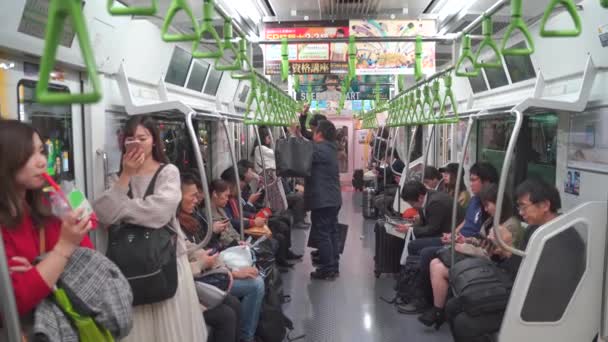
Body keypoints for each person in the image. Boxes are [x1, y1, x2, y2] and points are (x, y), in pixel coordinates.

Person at [94, 115, 207, 341]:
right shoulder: (116, 178)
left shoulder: (168, 172)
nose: (136, 143)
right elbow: (103, 213)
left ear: (154, 141)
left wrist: (122, 210)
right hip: (129, 266)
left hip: (165, 260)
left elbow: (160, 213)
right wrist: (126, 174)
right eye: (130, 139)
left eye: (142, 138)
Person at [0, 120, 94, 318]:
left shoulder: (49, 206)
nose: (42, 161)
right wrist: (63, 249)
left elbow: (88, 263)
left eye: (41, 151)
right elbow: (13, 301)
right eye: (29, 154)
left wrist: (37, 270)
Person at [418, 184, 522, 328]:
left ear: (499, 203)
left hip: (493, 267)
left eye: (488, 205)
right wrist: (465, 240)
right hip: (483, 260)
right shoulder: (491, 221)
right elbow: (481, 241)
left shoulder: (510, 226)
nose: (485, 209)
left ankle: (438, 311)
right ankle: (437, 310)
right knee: (435, 262)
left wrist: (464, 248)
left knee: (438, 267)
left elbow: (492, 254)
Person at [176, 173, 241, 342]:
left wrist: (222, 267)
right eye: (193, 196)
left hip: (198, 279)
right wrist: (206, 261)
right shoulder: (176, 225)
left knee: (233, 303)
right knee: (227, 314)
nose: (197, 200)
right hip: (186, 289)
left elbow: (195, 249)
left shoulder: (191, 219)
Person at [207, 179, 265, 342]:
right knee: (256, 285)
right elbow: (213, 253)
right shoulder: (206, 219)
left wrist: (239, 242)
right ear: (214, 194)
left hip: (220, 263)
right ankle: (247, 337)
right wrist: (234, 272)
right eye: (225, 196)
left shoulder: (217, 212)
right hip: (215, 270)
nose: (228, 200)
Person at [299, 120, 342, 280]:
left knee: (323, 234)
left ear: (320, 133)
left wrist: (295, 134)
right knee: (332, 232)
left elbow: (302, 152)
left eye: (314, 131)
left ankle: (327, 269)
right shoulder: (330, 148)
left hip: (323, 200)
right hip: (333, 198)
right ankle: (334, 266)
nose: (313, 133)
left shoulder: (319, 149)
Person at [252, 126, 288, 212]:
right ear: (263, 137)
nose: (270, 139)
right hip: (269, 177)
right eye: (268, 137)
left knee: (274, 198)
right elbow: (277, 154)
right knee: (275, 199)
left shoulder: (261, 148)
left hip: (270, 177)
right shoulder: (260, 148)